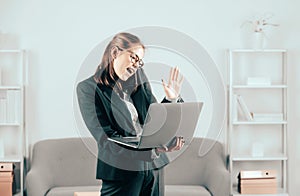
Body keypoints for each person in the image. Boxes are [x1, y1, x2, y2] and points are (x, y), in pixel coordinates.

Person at [77, 32, 185, 196]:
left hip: (153, 169)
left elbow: (155, 118)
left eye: (139, 61)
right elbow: (106, 139)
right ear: (115, 53)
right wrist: (152, 151)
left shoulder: (138, 79)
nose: (136, 65)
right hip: (121, 172)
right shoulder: (88, 89)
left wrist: (171, 99)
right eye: (133, 57)